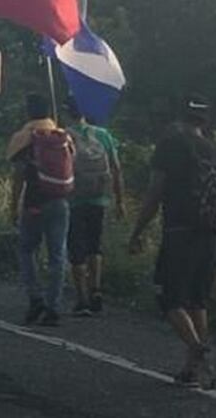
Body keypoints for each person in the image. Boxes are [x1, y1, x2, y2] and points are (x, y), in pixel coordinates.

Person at [129, 94, 216, 388]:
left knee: (169, 298)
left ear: (179, 118)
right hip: (213, 235)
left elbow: (155, 193)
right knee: (197, 301)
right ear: (206, 121)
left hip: (180, 232)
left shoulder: (171, 145)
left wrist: (137, 231)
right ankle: (191, 371)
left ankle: (197, 348)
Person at [8, 93, 75, 327]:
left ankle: (35, 297)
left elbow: (18, 177)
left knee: (27, 250)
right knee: (58, 255)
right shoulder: (62, 137)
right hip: (60, 201)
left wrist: (13, 206)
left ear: (28, 111)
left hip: (34, 203)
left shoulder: (24, 137)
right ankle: (53, 306)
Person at [63, 96, 126, 317]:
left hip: (74, 199)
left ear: (67, 112)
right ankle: (96, 289)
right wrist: (120, 200)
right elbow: (116, 169)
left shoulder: (65, 136)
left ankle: (82, 299)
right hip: (99, 198)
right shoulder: (103, 135)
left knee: (76, 249)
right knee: (94, 245)